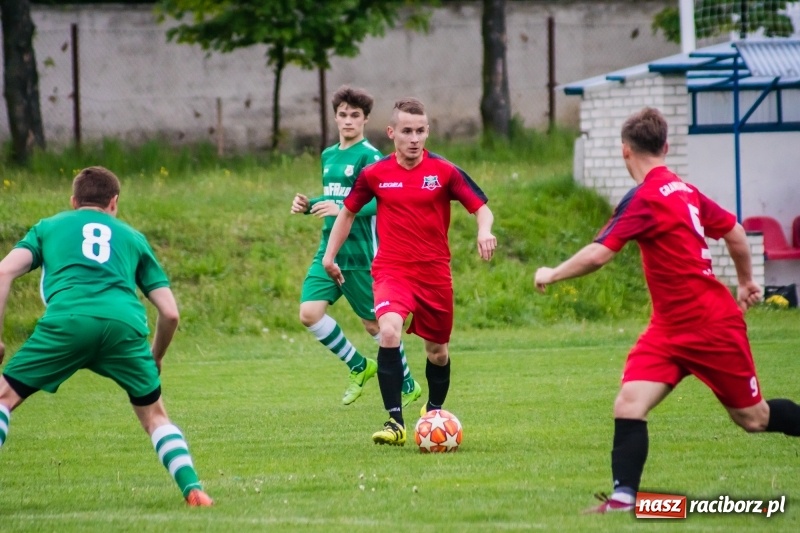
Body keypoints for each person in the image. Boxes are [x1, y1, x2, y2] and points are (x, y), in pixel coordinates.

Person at [533, 107, 800, 513]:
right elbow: (736, 232)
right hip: (668, 330)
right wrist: (746, 281)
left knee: (754, 419)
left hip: (711, 325)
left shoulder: (644, 199)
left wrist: (552, 273)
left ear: (626, 151)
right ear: (666, 146)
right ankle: (624, 499)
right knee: (629, 403)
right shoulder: (684, 190)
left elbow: (599, 255)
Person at [0, 166, 213, 507]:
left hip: (69, 320)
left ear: (74, 201)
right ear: (114, 202)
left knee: (4, 397)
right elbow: (170, 312)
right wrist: (155, 357)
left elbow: (4, 271)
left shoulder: (48, 228)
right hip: (124, 327)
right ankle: (193, 489)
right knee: (155, 416)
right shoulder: (132, 238)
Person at [323, 97, 497, 445]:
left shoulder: (444, 171)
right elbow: (347, 212)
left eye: (420, 131)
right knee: (389, 332)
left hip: (434, 274)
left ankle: (433, 411)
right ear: (392, 133)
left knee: (438, 351)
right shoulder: (375, 174)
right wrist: (330, 256)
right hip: (391, 271)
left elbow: (481, 208)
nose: (415, 138)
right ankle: (394, 423)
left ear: (427, 131)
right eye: (407, 131)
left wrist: (484, 230)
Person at [291, 85, 421, 407]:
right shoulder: (328, 155)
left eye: (355, 116)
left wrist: (343, 208)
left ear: (365, 120)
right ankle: (359, 366)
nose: (348, 121)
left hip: (361, 252)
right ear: (335, 117)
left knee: (374, 324)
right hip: (329, 249)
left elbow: (382, 201)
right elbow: (336, 199)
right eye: (343, 115)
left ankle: (407, 383)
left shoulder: (371, 157)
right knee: (309, 314)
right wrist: (311, 204)